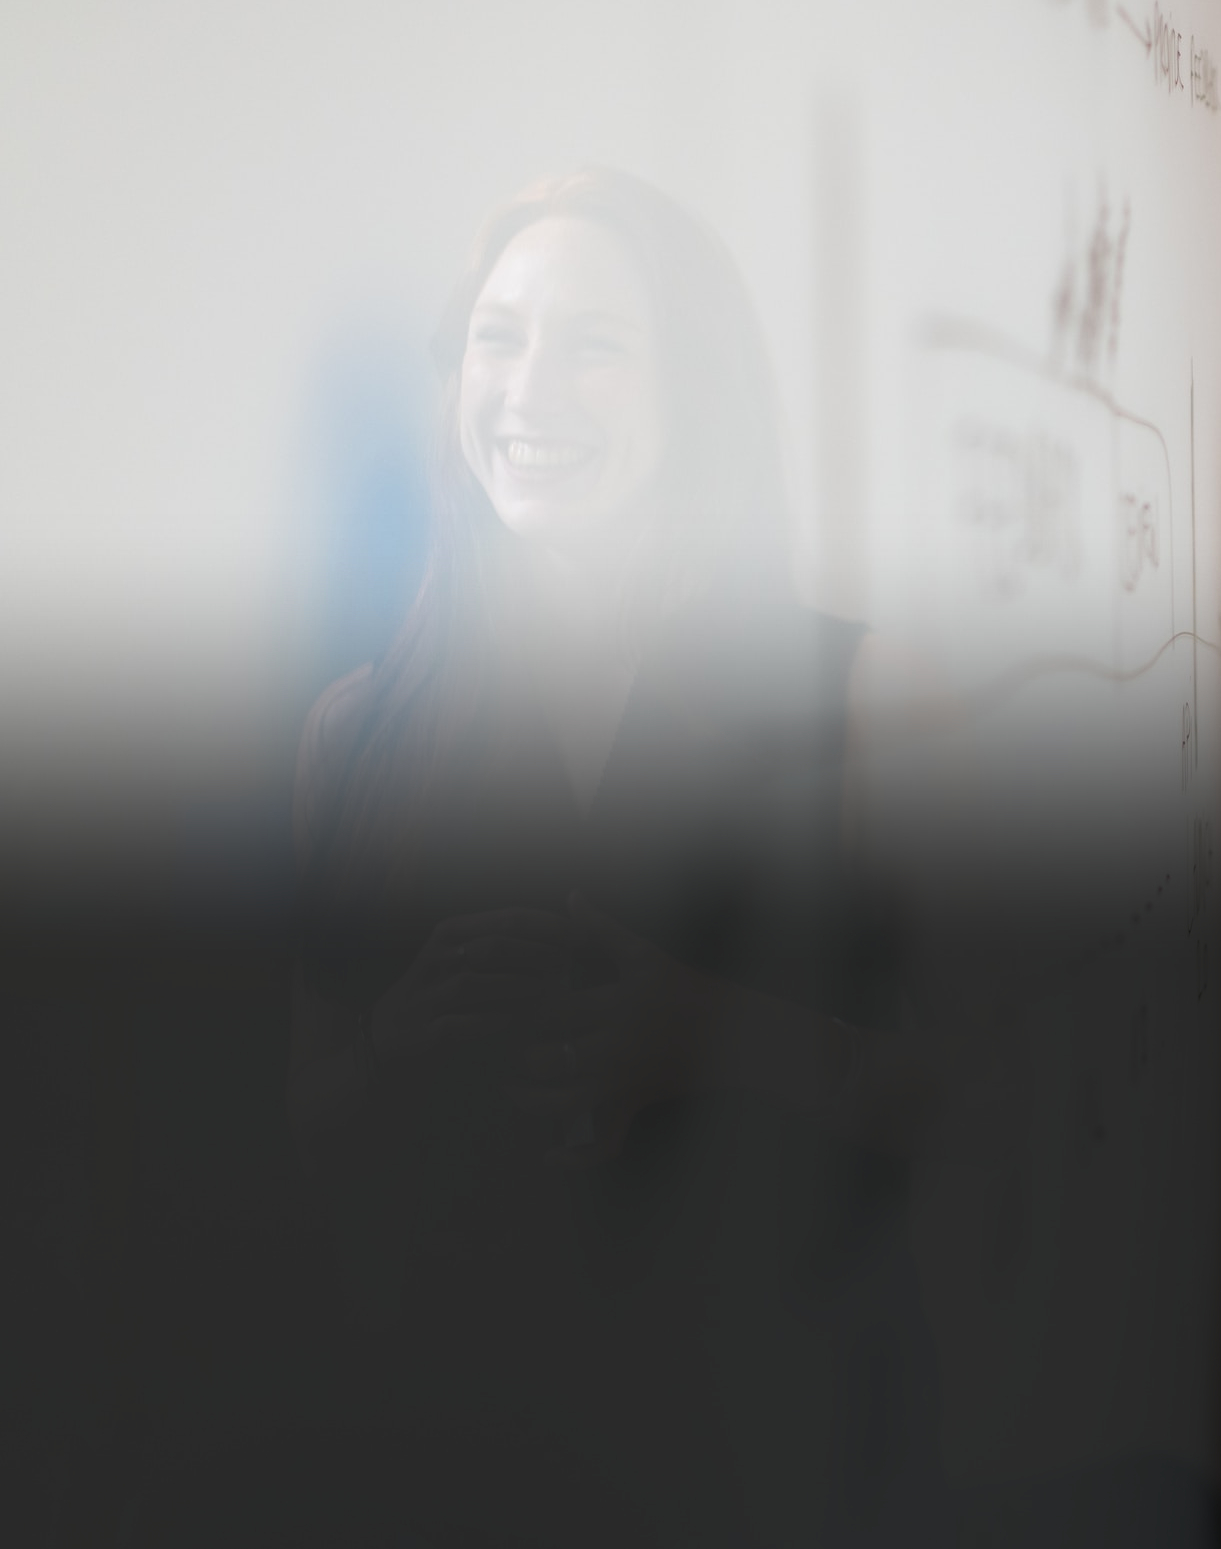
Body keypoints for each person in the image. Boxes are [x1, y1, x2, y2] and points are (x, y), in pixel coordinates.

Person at [288, 170, 942, 1546]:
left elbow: (987, 1112)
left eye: (595, 345)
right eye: (499, 337)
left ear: (692, 390)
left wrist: (708, 1027)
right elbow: (276, 1134)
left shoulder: (863, 698)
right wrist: (402, 1044)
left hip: (772, 1451)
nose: (529, 390)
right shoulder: (356, 732)